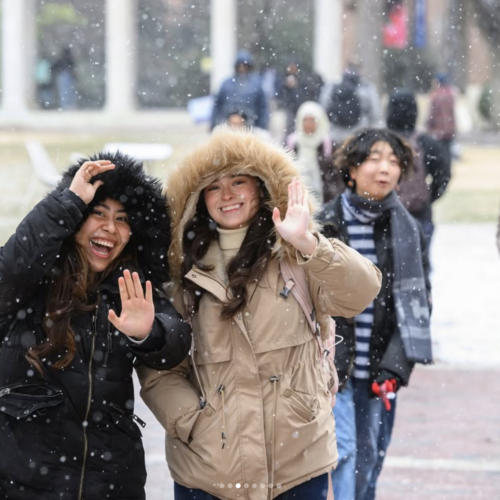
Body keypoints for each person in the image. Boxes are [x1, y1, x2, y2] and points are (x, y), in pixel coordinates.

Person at [138, 127, 382, 500]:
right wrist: (194, 424)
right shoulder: (181, 274)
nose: (228, 195)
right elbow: (161, 372)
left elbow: (361, 292)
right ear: (200, 198)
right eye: (214, 186)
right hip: (208, 470)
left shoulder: (296, 255)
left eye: (239, 181)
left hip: (297, 463)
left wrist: (308, 243)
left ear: (260, 187)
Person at [0, 152, 192, 499]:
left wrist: (149, 333)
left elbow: (175, 339)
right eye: (98, 214)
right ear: (76, 221)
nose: (110, 228)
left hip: (109, 479)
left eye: (122, 219)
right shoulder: (35, 278)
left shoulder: (129, 282)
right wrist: (66, 203)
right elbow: (9, 270)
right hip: (25, 480)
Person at [318, 129, 432, 500]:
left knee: (369, 464)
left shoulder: (408, 230)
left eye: (394, 162)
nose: (384, 169)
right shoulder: (326, 224)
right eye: (374, 158)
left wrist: (396, 366)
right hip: (335, 367)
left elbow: (418, 303)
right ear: (351, 168)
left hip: (381, 368)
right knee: (344, 456)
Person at [386, 88, 451, 247]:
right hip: (419, 215)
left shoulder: (378, 141)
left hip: (384, 215)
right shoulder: (427, 143)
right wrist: (428, 197)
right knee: (420, 266)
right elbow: (444, 174)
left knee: (382, 267)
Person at [285, 100, 342, 204]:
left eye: (313, 120)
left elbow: (336, 175)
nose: (308, 124)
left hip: (324, 199)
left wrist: (333, 196)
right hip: (296, 198)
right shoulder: (292, 143)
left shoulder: (328, 144)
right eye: (305, 120)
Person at [211, 50, 269, 131]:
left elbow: (263, 106)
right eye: (239, 66)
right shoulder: (226, 84)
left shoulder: (256, 84)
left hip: (251, 127)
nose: (242, 68)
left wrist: (262, 125)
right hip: (228, 126)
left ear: (249, 66)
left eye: (244, 66)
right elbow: (217, 105)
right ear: (236, 66)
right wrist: (214, 124)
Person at [275, 60, 324, 137]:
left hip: (300, 108)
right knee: (290, 128)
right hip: (290, 108)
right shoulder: (284, 79)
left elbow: (303, 94)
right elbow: (281, 94)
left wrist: (295, 87)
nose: (292, 70)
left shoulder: (302, 79)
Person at [426, 73, 456, 165]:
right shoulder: (451, 94)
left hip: (438, 131)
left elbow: (432, 114)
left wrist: (428, 127)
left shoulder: (436, 95)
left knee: (438, 156)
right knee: (447, 154)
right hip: (449, 130)